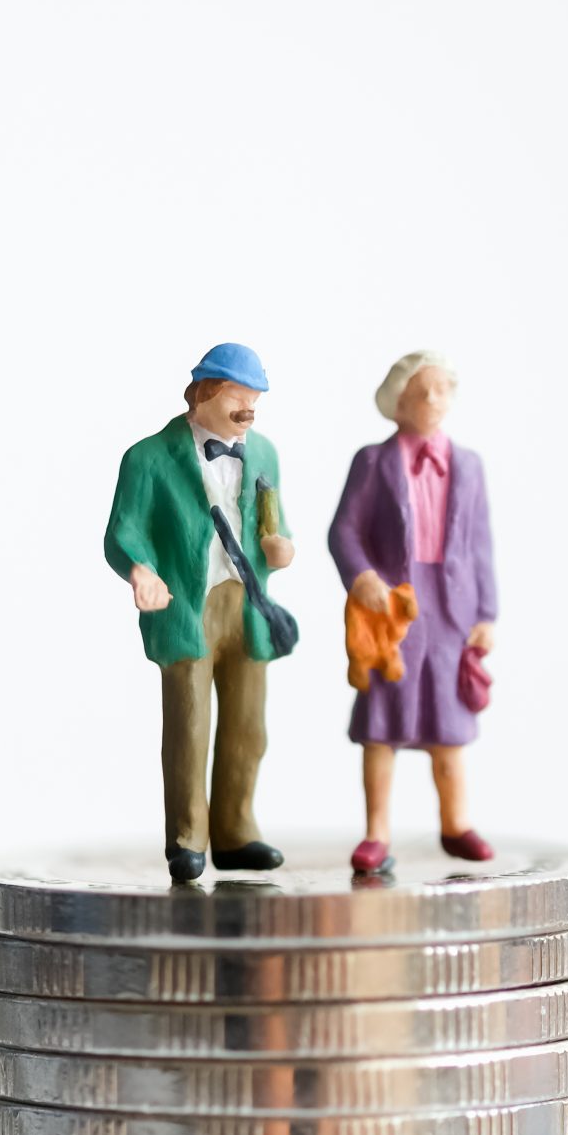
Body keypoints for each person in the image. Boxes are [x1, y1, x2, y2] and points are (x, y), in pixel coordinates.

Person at [101, 343, 296, 882]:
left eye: (254, 399)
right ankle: (187, 838)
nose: (248, 410)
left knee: (249, 726)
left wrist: (281, 548)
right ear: (205, 394)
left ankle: (236, 831)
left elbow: (275, 528)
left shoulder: (265, 454)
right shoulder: (148, 458)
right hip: (188, 605)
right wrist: (140, 570)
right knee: (189, 724)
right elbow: (124, 531)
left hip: (248, 606)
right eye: (238, 397)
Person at [327, 351, 499, 876]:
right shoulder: (373, 462)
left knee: (449, 725)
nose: (432, 401)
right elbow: (343, 531)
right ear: (396, 401)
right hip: (393, 609)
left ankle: (456, 823)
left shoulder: (468, 464)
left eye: (440, 390)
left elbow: (480, 544)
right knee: (383, 723)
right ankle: (377, 830)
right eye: (420, 392)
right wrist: (363, 578)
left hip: (451, 606)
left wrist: (487, 611)